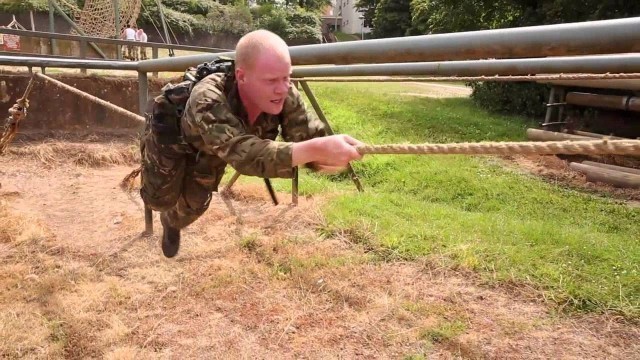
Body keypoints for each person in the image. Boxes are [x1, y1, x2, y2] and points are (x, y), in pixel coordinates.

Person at [140, 29, 364, 258]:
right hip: (172, 139)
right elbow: (243, 155)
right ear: (242, 76)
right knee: (158, 199)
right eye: (271, 80)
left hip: (213, 150)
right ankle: (164, 209)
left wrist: (323, 156)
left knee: (193, 206)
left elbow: (307, 136)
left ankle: (171, 224)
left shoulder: (284, 91)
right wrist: (316, 150)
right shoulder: (208, 95)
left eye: (287, 77)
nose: (282, 88)